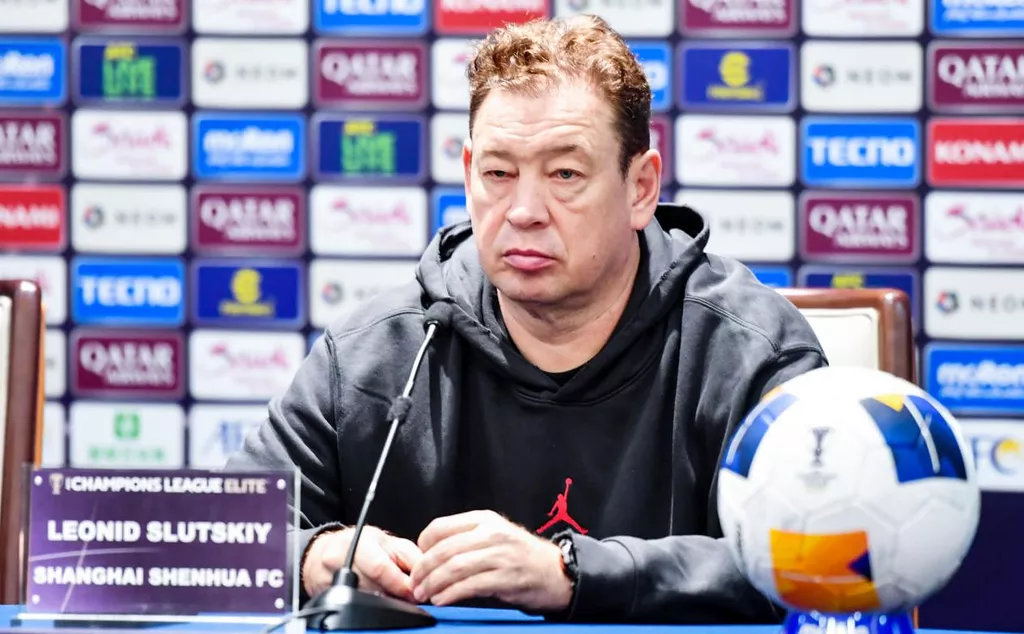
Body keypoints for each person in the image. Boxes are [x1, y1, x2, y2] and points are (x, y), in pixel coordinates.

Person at [227, 14, 828, 624]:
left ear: (641, 188)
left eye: (565, 174)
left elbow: (820, 556)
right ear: (469, 175)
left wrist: (574, 573)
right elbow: (223, 536)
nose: (523, 211)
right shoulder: (375, 355)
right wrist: (315, 556)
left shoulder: (751, 352)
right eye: (498, 173)